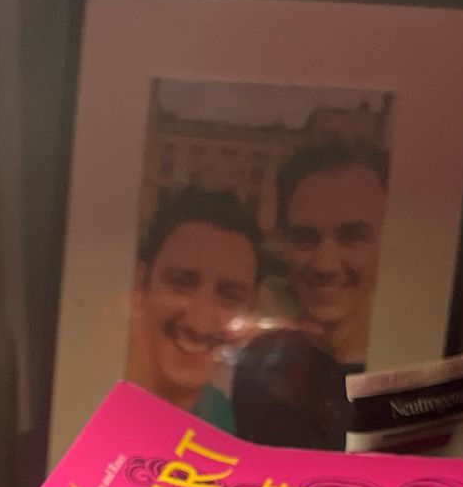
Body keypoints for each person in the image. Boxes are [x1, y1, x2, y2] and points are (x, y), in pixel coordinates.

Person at [124, 184, 261, 428]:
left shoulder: (218, 411)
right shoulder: (88, 398)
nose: (200, 323)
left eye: (230, 296)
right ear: (140, 285)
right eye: (181, 283)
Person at [275, 136, 389, 368]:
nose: (324, 265)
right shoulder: (259, 371)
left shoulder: (415, 366)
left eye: (352, 237)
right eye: (305, 238)